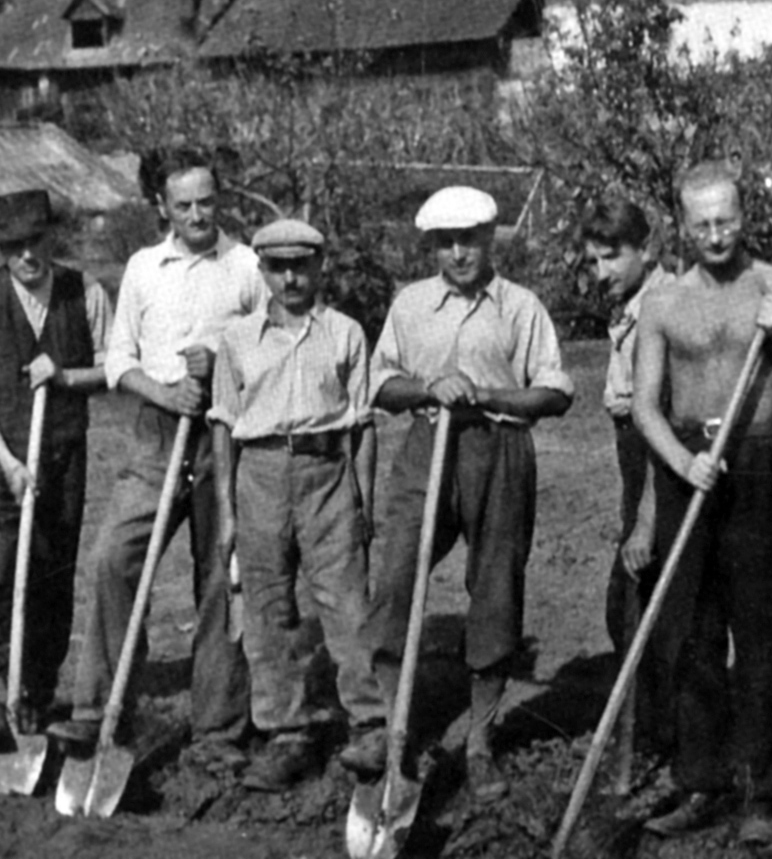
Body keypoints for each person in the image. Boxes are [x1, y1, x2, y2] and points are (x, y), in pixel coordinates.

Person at [347, 185, 573, 803]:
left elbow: (555, 392)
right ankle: (391, 729)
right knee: (395, 581)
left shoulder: (521, 307)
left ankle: (480, 741)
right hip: (425, 448)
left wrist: (488, 395)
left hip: (497, 451)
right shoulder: (411, 304)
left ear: (490, 238)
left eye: (468, 239)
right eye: (445, 243)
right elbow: (380, 383)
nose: (457, 253)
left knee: (496, 586)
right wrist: (428, 389)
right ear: (432, 247)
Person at [632, 161, 772, 848]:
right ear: (682, 227)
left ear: (745, 217)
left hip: (757, 463)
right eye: (702, 224)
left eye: (727, 220)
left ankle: (762, 789)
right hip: (686, 464)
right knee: (689, 634)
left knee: (761, 634)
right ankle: (700, 782)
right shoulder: (661, 302)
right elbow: (643, 407)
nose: (716, 235)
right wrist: (681, 461)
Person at [50, 148, 265, 771]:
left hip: (224, 435)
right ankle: (98, 713)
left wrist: (221, 363)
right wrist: (165, 390)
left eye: (207, 201)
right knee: (114, 558)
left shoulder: (247, 266)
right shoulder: (145, 269)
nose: (198, 214)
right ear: (161, 208)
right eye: (184, 205)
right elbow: (118, 361)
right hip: (156, 433)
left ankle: (219, 727)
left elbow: (268, 351)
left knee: (221, 573)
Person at [208, 218, 377, 791]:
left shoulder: (346, 334)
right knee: (266, 608)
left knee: (346, 602)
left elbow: (362, 425)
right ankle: (286, 733)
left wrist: (363, 498)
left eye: (301, 266)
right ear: (262, 272)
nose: (290, 278)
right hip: (259, 475)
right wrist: (229, 511)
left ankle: (370, 723)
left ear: (319, 267)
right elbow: (224, 427)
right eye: (277, 267)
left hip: (327, 472)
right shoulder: (236, 341)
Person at [0, 189, 110, 748]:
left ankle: (35, 691)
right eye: (14, 246)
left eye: (35, 242)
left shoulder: (83, 292)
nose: (27, 257)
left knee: (52, 566)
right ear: (3, 248)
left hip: (62, 450)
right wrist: (10, 463)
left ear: (50, 238)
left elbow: (115, 365)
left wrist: (64, 373)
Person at [579, 193, 676, 754]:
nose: (601, 272)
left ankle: (663, 734)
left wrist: (645, 518)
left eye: (611, 257)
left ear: (646, 248)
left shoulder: (663, 306)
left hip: (657, 458)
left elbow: (663, 418)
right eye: (593, 260)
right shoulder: (629, 305)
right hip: (631, 453)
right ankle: (649, 730)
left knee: (640, 597)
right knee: (630, 606)